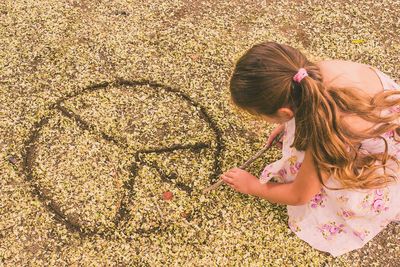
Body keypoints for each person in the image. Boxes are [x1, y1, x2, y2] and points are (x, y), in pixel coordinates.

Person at [220, 41, 400, 257]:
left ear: (286, 112)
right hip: (384, 119)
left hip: (380, 162)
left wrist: (253, 187)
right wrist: (287, 125)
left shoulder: (328, 135)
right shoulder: (311, 74)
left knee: (322, 197)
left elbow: (300, 194)